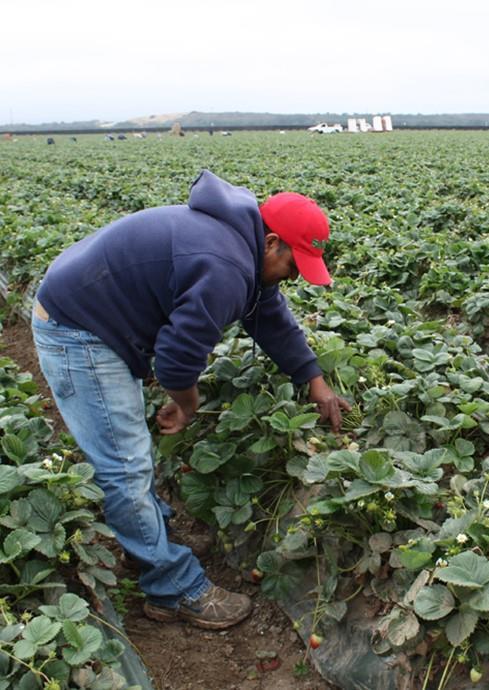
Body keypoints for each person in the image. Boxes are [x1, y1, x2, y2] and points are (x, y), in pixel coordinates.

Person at [31, 170, 350, 629]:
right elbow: (176, 364)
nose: (293, 277)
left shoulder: (241, 241)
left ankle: (153, 535)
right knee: (124, 466)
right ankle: (173, 588)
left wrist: (313, 377)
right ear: (272, 242)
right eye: (293, 266)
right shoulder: (225, 266)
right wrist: (187, 404)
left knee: (129, 457)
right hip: (77, 329)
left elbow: (269, 315)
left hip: (93, 307)